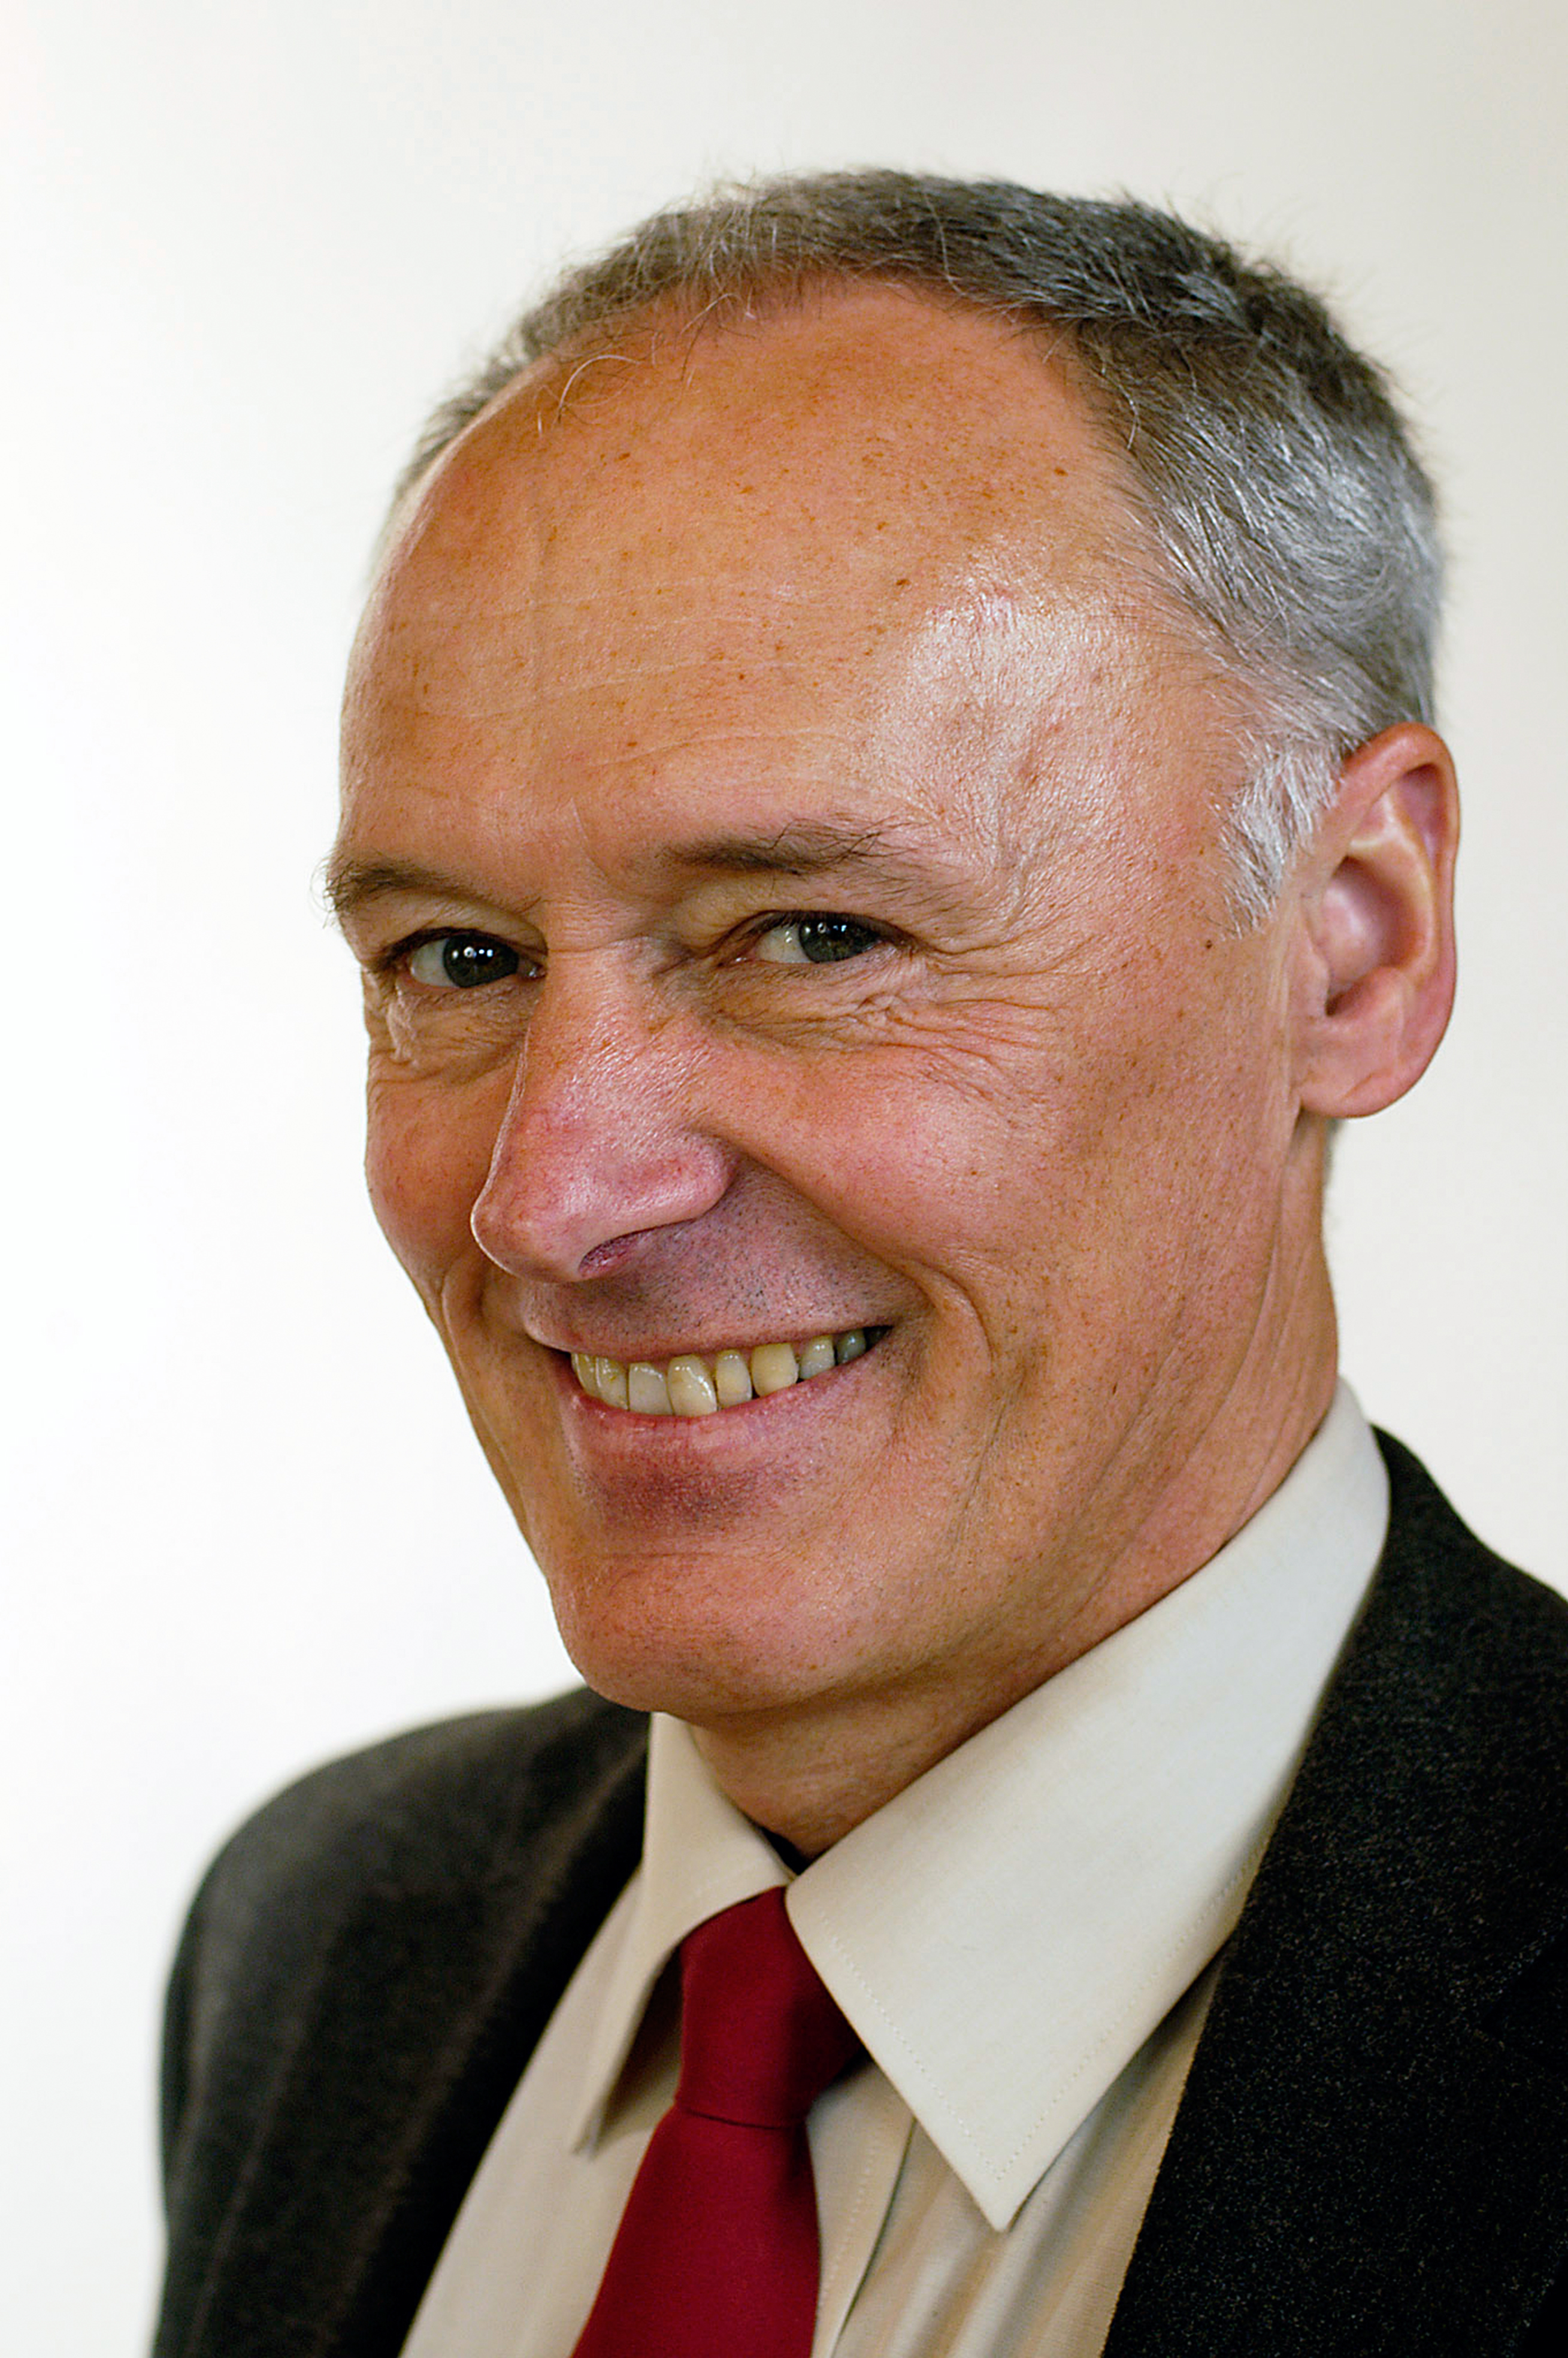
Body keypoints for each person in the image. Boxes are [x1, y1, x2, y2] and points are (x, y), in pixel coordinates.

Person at [152, 174, 1568, 2357]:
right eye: (459, 958)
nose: (552, 1196)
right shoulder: (320, 1935)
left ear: (1352, 943)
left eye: (813, 935)